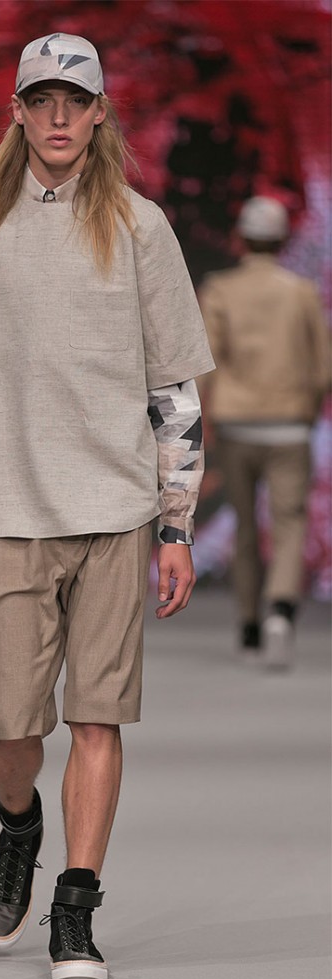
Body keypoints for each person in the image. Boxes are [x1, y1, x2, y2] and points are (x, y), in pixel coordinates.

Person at [0, 33, 214, 979]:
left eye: (75, 100)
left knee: (97, 716)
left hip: (115, 506)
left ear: (100, 111)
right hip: (7, 504)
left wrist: (174, 524)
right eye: (42, 100)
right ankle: (18, 823)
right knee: (7, 721)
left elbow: (174, 392)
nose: (59, 116)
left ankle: (74, 912)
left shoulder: (139, 227)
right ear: (19, 112)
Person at [199, 197, 330, 669]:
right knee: (289, 521)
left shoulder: (221, 291)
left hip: (237, 423)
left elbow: (205, 363)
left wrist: (199, 420)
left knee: (245, 524)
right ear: (282, 239)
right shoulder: (301, 292)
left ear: (241, 238)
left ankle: (250, 622)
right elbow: (322, 365)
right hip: (289, 424)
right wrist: (307, 408)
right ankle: (280, 612)